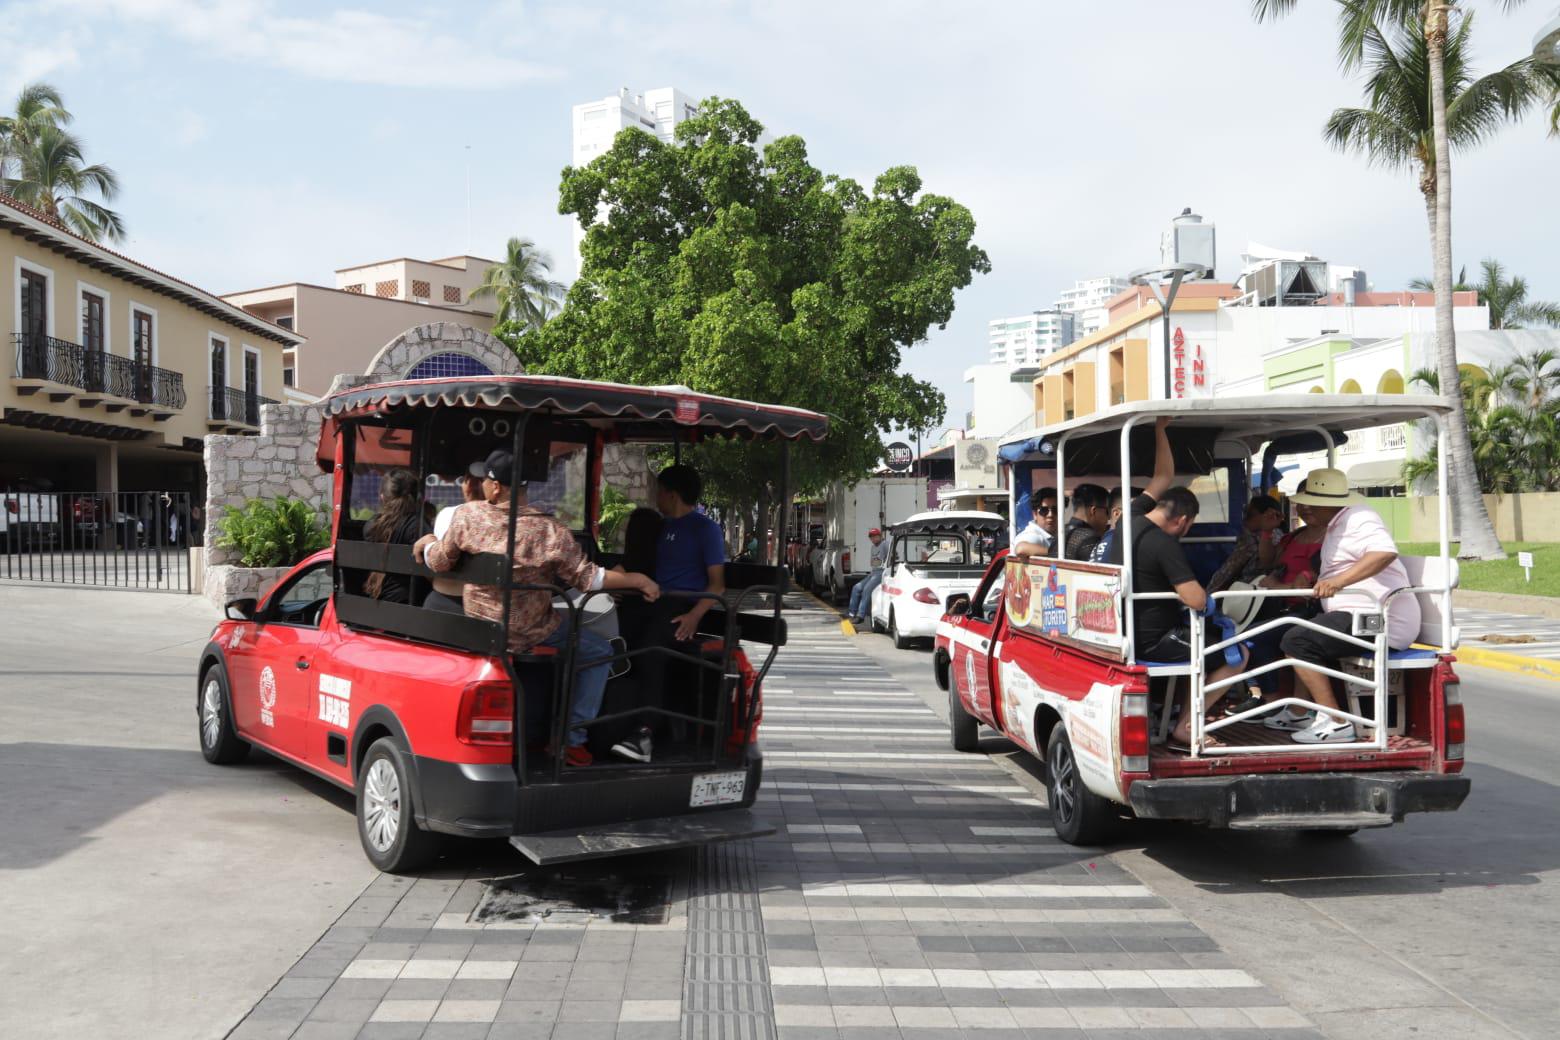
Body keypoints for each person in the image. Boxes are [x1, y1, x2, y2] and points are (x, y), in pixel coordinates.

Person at [413, 450, 659, 767]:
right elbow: (589, 578)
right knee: (598, 650)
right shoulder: (550, 530)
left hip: (480, 626)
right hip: (532, 632)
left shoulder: (468, 517)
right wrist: (637, 580)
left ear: (496, 487)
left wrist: (429, 541)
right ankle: (571, 740)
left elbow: (439, 561)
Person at [1264, 468, 1420, 745]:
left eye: (1311, 503)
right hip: (1351, 613)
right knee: (1290, 629)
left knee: (1297, 640)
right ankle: (1300, 711)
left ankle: (1336, 722)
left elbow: (1384, 552)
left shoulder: (1360, 518)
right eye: (1304, 502)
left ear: (1330, 503)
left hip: (1378, 617)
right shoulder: (1337, 525)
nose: (1305, 508)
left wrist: (1338, 582)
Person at [1107, 484, 1249, 747]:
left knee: (1199, 647)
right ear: (1182, 520)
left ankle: (1182, 718)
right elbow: (1195, 598)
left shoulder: (1127, 521)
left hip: (1125, 632)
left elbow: (1161, 477)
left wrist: (1159, 441)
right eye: (1189, 526)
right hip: (1155, 640)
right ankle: (1187, 726)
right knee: (1237, 654)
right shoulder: (1163, 543)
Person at [609, 464, 726, 763]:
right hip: (650, 600)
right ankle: (611, 722)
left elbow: (717, 585)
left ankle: (644, 733)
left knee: (652, 648)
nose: (654, 497)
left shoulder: (705, 529)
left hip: (681, 606)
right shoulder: (659, 527)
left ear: (671, 495)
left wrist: (694, 617)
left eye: (658, 491)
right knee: (615, 637)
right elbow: (637, 562)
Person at [363, 470, 430, 604]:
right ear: (418, 497)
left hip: (376, 598)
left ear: (382, 497)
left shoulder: (371, 525)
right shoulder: (418, 526)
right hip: (411, 604)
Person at [423, 468, 484, 614]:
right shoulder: (504, 520)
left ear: (467, 486)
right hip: (483, 607)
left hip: (442, 599)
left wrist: (427, 546)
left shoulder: (448, 514)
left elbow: (437, 563)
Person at [1208, 496, 1285, 594]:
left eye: (1249, 513)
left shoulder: (1252, 541)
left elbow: (1225, 574)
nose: (1245, 518)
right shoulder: (1282, 536)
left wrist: (1208, 596)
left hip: (1246, 595)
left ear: (1264, 516)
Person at [847, 528, 888, 624]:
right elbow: (874, 561)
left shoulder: (885, 544)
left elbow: (894, 556)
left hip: (881, 572)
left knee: (866, 590)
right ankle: (851, 613)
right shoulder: (873, 547)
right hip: (873, 571)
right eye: (871, 537)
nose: (873, 539)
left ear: (880, 536)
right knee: (856, 588)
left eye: (875, 536)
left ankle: (860, 615)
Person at [1062, 483, 1110, 561]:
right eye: (1107, 512)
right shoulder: (1089, 538)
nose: (1108, 518)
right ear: (1093, 511)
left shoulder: (1060, 533)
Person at [1013, 487, 1058, 557]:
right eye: (1044, 510)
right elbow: (1021, 548)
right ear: (1035, 514)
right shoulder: (1034, 535)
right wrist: (1058, 553)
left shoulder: (1059, 534)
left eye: (1055, 510)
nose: (1050, 515)